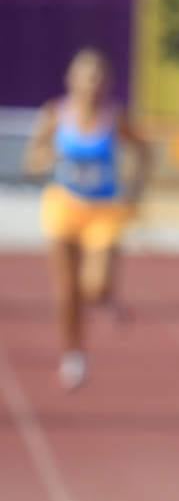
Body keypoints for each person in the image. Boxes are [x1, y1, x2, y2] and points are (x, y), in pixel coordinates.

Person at [24, 48, 152, 390]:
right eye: (86, 76)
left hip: (104, 211)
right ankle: (74, 355)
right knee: (66, 292)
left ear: (107, 83)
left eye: (98, 78)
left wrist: (136, 189)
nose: (92, 84)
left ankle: (106, 298)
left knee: (94, 287)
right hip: (64, 206)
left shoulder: (115, 116)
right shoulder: (56, 113)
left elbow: (143, 150)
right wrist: (45, 158)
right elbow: (31, 159)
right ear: (72, 79)